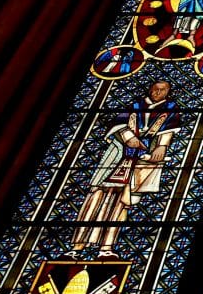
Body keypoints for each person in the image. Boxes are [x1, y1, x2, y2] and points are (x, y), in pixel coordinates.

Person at [73, 80, 181, 257]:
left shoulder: (171, 108)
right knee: (96, 196)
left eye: (162, 90)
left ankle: (106, 248)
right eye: (154, 89)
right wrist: (128, 136)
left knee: (123, 204)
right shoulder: (135, 105)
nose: (157, 93)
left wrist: (162, 147)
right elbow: (120, 124)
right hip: (117, 156)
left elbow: (168, 131)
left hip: (141, 161)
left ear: (168, 92)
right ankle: (78, 246)